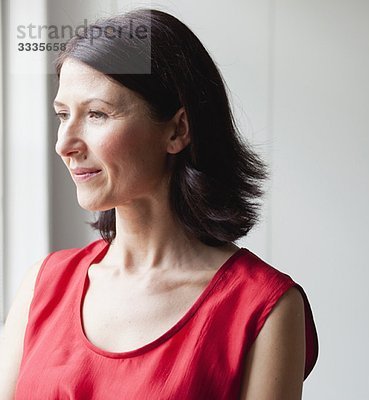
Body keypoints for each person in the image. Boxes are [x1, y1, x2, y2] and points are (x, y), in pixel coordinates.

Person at [0, 8, 318, 400]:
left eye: (97, 114)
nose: (64, 144)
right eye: (63, 115)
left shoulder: (264, 308)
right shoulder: (41, 286)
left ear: (178, 129)